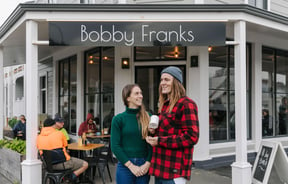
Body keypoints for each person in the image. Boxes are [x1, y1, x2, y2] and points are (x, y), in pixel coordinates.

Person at [146, 66, 199, 184]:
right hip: (160, 168)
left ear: (176, 82)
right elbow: (167, 131)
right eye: (161, 80)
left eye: (166, 80)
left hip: (174, 170)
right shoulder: (164, 105)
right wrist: (153, 132)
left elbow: (192, 136)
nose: (162, 83)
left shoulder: (186, 104)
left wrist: (160, 141)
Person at [111, 84, 152, 184]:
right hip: (125, 165)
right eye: (137, 93)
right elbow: (115, 146)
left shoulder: (148, 117)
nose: (141, 96)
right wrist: (130, 165)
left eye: (141, 93)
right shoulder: (118, 119)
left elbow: (151, 143)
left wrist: (148, 163)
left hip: (144, 164)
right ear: (128, 98)